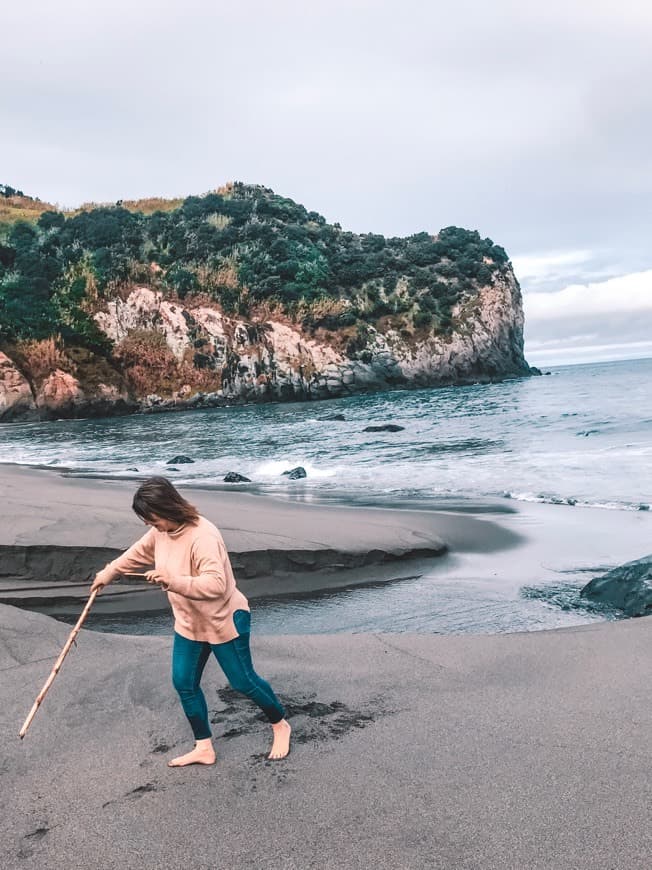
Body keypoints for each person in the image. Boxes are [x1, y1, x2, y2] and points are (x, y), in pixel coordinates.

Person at [90, 476, 291, 766]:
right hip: (189, 624)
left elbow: (216, 585)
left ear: (168, 508)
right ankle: (204, 747)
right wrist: (108, 573)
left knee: (243, 682)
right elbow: (137, 554)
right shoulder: (162, 531)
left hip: (224, 619)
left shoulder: (203, 535)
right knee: (184, 682)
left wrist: (173, 581)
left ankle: (280, 724)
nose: (150, 525)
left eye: (152, 518)